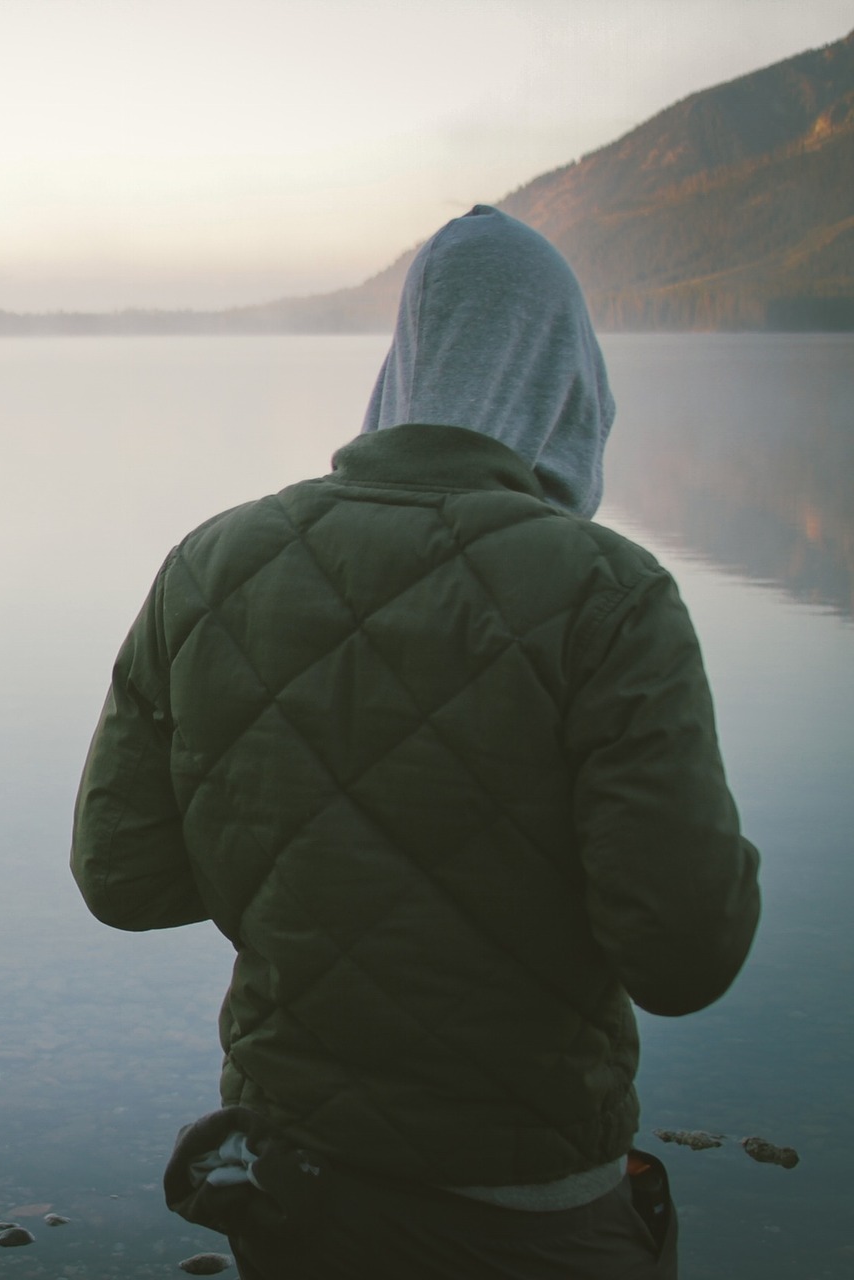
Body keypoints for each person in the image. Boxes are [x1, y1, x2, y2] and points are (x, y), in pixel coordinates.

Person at [69, 206, 761, 1278]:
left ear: (406, 365)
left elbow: (123, 874)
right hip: (529, 1206)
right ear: (566, 384)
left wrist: (306, 855)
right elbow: (682, 956)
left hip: (294, 1190)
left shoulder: (211, 565)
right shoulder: (611, 598)